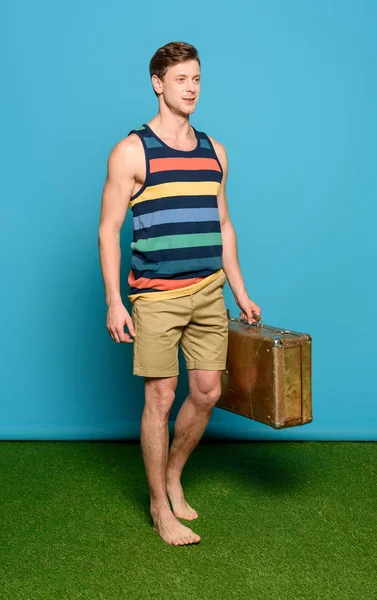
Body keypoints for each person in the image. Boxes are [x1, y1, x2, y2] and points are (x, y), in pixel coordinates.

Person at [98, 41, 261, 546]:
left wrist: (240, 290)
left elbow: (225, 225)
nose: (191, 88)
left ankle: (172, 475)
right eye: (181, 79)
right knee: (160, 398)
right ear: (158, 84)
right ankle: (157, 506)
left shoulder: (216, 150)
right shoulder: (132, 150)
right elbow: (108, 229)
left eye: (196, 79)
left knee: (208, 390)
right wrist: (113, 300)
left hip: (209, 293)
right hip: (155, 298)